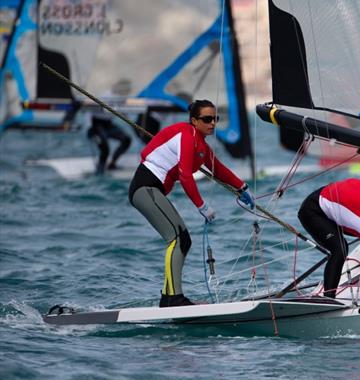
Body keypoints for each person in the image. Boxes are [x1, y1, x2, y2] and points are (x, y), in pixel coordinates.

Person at [128, 99, 255, 307]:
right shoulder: (186, 135)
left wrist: (242, 187)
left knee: (182, 240)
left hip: (153, 191)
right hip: (144, 188)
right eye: (207, 119)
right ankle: (172, 298)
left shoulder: (201, 145)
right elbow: (185, 175)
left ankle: (170, 297)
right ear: (194, 120)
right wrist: (201, 206)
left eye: (215, 119)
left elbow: (217, 168)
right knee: (178, 239)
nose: (212, 123)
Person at [87, 108, 132, 174]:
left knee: (127, 139)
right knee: (105, 147)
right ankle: (101, 167)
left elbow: (125, 111)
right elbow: (86, 107)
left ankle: (112, 163)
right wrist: (89, 128)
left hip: (108, 124)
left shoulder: (120, 97)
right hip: (96, 124)